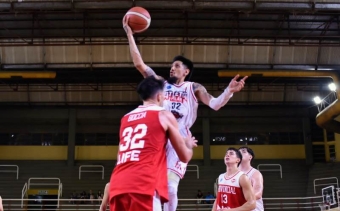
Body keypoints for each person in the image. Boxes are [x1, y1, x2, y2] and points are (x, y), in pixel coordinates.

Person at [123, 16, 248, 211]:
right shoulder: (161, 84)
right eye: (171, 66)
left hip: (179, 137)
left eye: (177, 66)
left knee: (171, 187)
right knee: (153, 188)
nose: (172, 68)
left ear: (186, 72)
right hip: (157, 136)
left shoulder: (194, 87)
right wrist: (129, 34)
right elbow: (140, 65)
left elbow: (214, 104)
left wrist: (229, 91)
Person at [109, 76, 198, 211]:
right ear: (159, 96)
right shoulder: (164, 115)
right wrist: (189, 145)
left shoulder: (126, 118)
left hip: (118, 185)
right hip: (144, 184)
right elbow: (184, 156)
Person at [238, 147, 264, 211]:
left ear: (250, 157)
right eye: (238, 153)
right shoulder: (232, 174)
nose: (240, 153)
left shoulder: (255, 173)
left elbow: (258, 194)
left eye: (243, 152)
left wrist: (238, 199)